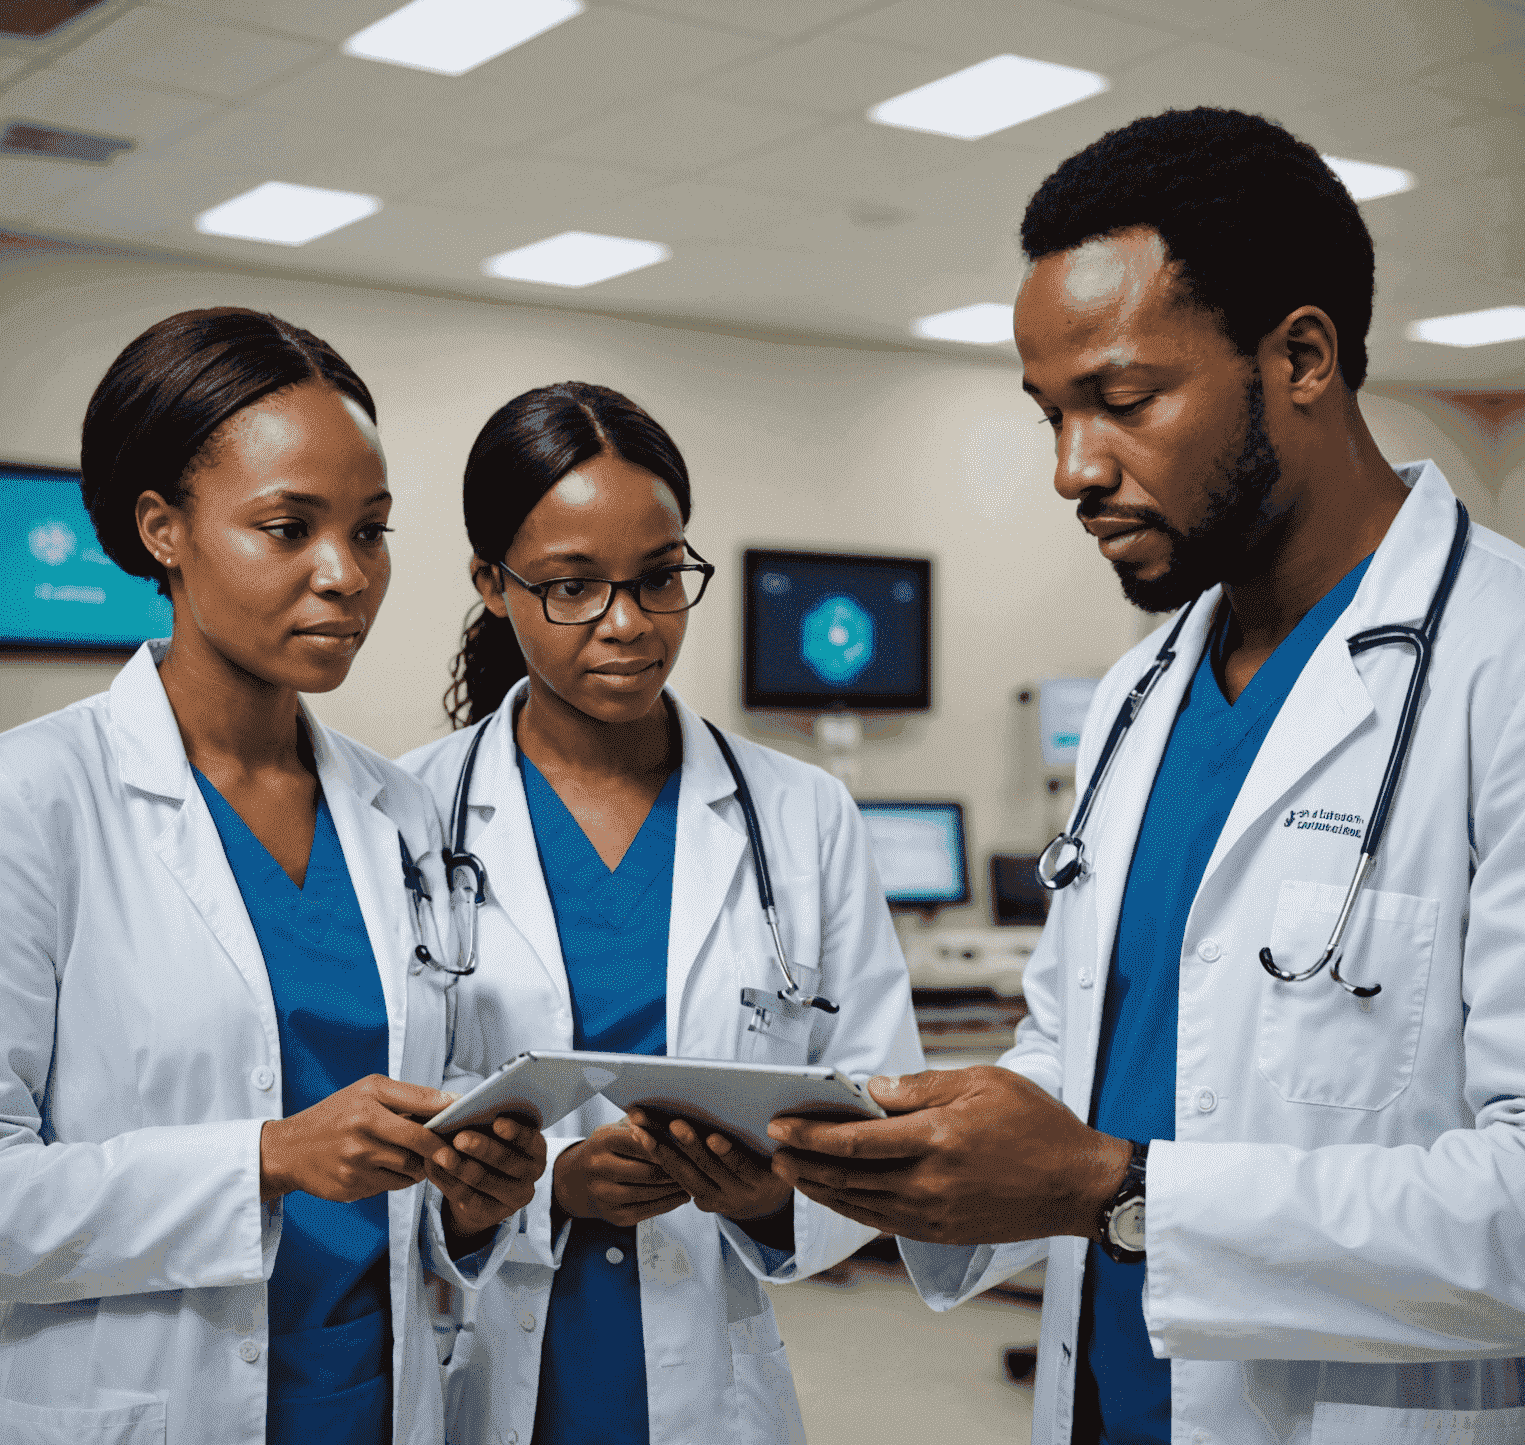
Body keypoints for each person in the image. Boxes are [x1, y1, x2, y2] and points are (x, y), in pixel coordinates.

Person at [767, 108, 1525, 1443]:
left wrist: (1115, 1190)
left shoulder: (1507, 673)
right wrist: (892, 1160)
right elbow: (1083, 1057)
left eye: (1122, 401)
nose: (1073, 467)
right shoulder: (1138, 696)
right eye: (1051, 414)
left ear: (1300, 357)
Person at [0, 308, 545, 1445]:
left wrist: (473, 1202)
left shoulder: (395, 811)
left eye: (373, 531)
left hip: (377, 1400)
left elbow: (407, 1191)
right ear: (163, 530)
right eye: (288, 527)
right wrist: (266, 1158)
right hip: (147, 1403)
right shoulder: (36, 802)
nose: (344, 576)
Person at [399, 381, 923, 1445]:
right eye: (573, 588)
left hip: (715, 1381)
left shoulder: (800, 814)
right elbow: (367, 1145)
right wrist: (548, 1191)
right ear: (492, 585)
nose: (629, 625)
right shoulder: (402, 816)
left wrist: (761, 1198)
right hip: (483, 1373)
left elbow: (882, 1110)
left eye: (658, 579)